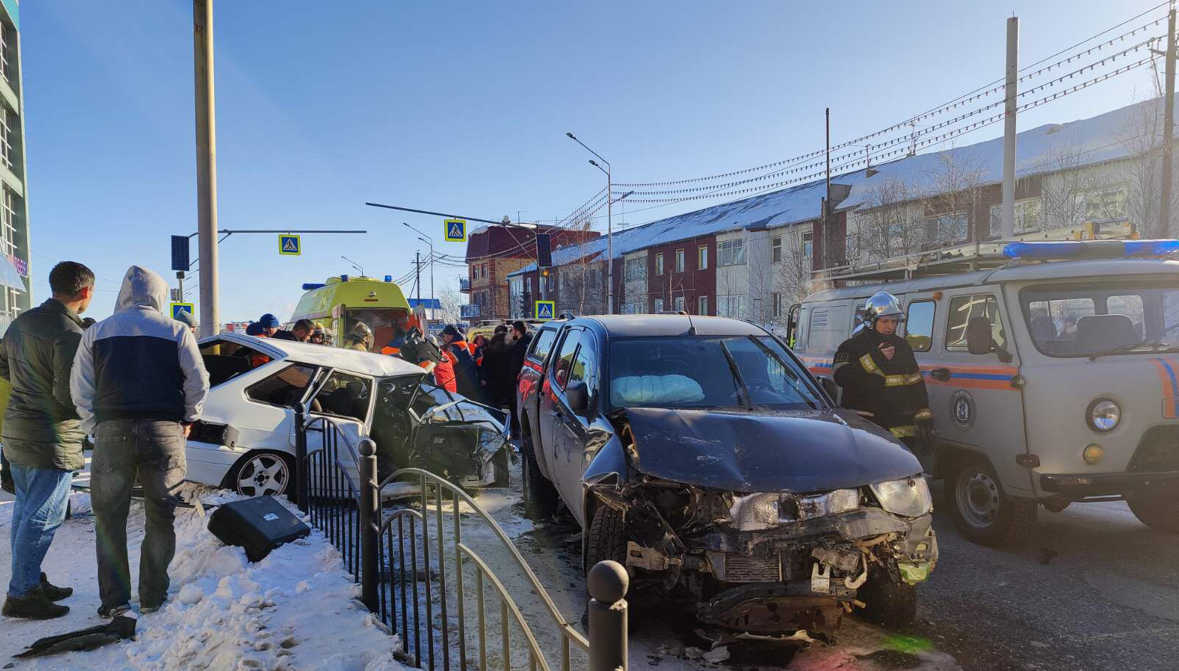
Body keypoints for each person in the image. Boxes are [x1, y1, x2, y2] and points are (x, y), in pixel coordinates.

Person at [70, 265, 210, 618]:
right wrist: (188, 418)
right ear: (159, 295)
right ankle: (152, 597)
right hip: (164, 430)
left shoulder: (97, 332)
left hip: (112, 431)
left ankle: (115, 602)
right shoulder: (177, 331)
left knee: (109, 519)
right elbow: (198, 380)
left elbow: (80, 387)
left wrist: (94, 426)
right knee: (160, 517)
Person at [0, 261, 95, 619]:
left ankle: (29, 580)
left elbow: (1, 363)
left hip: (17, 431)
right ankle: (22, 594)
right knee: (42, 516)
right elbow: (69, 397)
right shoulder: (69, 334)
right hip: (49, 438)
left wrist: (28, 387)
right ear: (85, 292)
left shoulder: (21, 322)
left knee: (26, 512)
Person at [833, 292, 933, 460]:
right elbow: (840, 377)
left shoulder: (902, 346)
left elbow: (916, 384)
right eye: (885, 321)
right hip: (869, 428)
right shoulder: (852, 346)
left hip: (902, 429)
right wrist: (875, 358)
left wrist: (925, 421)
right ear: (872, 321)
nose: (890, 326)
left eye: (893, 322)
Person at [506, 321, 534, 437]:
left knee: (517, 408)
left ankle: (518, 431)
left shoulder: (519, 347)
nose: (511, 332)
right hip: (528, 382)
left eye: (512, 330)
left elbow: (514, 368)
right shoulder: (531, 342)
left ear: (517, 331)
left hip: (519, 383)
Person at [441, 324, 480, 400]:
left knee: (466, 406)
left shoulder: (455, 346)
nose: (444, 339)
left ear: (449, 336)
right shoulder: (459, 343)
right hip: (468, 381)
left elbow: (446, 361)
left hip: (464, 383)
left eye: (445, 336)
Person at [480, 325, 513, 410]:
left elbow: (484, 365)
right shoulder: (512, 347)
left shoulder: (490, 349)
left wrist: (484, 379)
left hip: (493, 382)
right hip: (509, 382)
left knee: (495, 406)